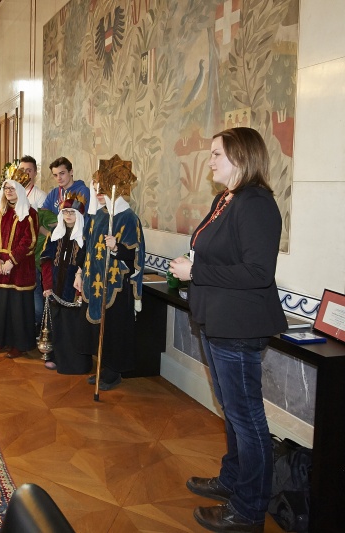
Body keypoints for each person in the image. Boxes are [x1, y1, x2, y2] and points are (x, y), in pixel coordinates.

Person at [169, 127, 287, 533]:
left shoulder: (257, 204)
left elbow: (257, 272)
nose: (211, 160)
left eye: (217, 153)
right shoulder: (226, 199)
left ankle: (249, 509)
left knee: (247, 417)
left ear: (241, 157)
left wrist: (197, 270)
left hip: (239, 326)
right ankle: (233, 480)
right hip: (218, 321)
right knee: (232, 412)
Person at [75, 177, 145, 389]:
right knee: (97, 329)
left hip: (115, 284)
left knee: (115, 329)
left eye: (102, 189)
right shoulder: (98, 216)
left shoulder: (128, 218)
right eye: (95, 188)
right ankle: (103, 368)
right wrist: (79, 273)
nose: (98, 192)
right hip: (93, 280)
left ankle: (114, 372)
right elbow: (86, 247)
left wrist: (116, 248)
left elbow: (135, 255)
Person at [0, 170, 38, 359]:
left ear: (21, 191)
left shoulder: (30, 214)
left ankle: (20, 344)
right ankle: (3, 340)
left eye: (12, 188)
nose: (8, 191)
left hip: (20, 269)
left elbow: (29, 241)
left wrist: (12, 261)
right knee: (1, 305)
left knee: (17, 307)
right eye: (6, 188)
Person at [40, 192, 90, 373]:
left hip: (75, 289)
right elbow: (46, 260)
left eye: (72, 213)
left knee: (74, 327)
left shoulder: (85, 236)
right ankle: (58, 359)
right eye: (66, 212)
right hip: (56, 288)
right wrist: (47, 286)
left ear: (79, 216)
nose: (68, 216)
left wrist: (80, 277)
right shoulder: (56, 234)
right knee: (58, 325)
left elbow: (87, 262)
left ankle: (76, 364)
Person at [17, 155, 49, 336]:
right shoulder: (11, 194)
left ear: (35, 173)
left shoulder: (40, 196)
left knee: (36, 297)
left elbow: (44, 229)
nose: (25, 174)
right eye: (22, 170)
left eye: (29, 170)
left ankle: (36, 328)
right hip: (14, 256)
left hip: (33, 256)